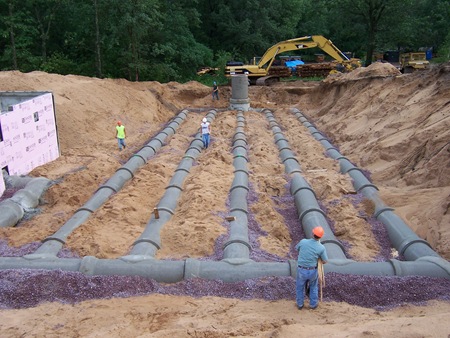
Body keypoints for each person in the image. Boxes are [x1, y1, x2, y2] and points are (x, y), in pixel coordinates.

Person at [295, 226, 328, 310]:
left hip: (301, 270)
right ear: (321, 237)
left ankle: (300, 304)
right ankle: (313, 305)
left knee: (300, 287)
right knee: (313, 287)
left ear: (313, 234)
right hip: (313, 271)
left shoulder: (303, 242)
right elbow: (325, 261)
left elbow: (297, 248)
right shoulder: (321, 247)